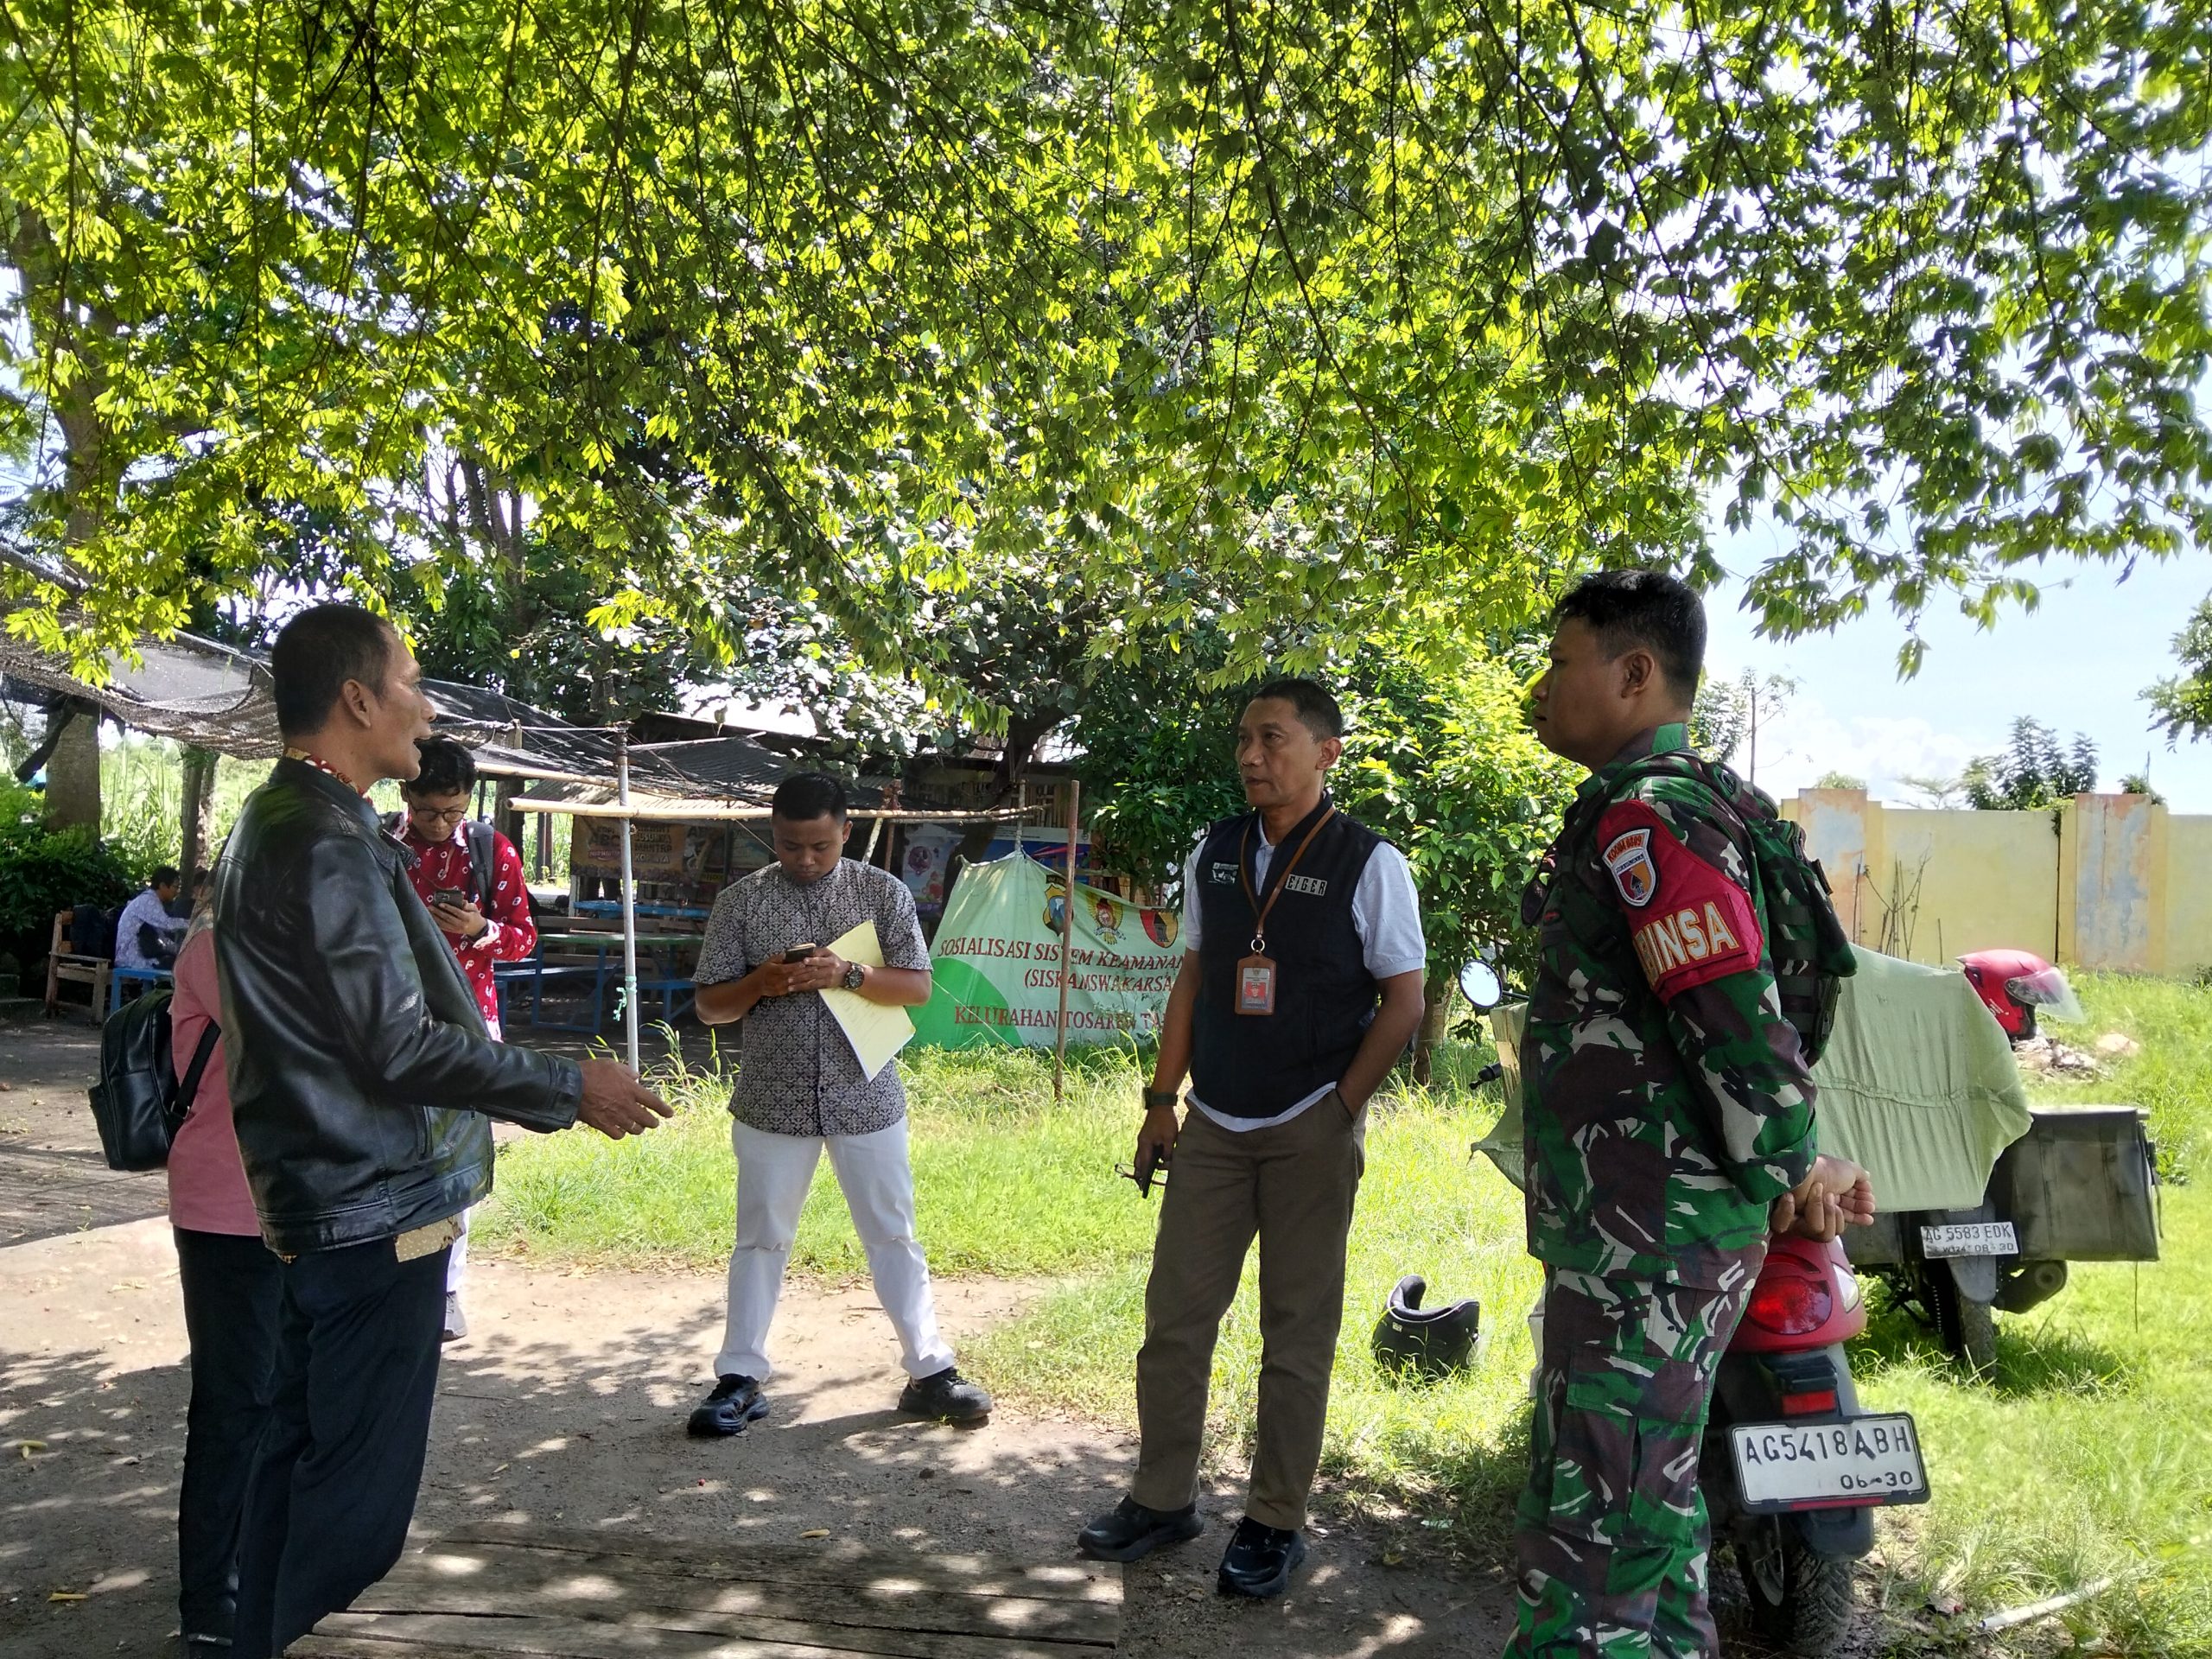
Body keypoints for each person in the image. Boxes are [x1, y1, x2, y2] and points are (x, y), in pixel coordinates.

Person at [213, 602, 673, 1659]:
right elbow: (398, 1047)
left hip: (324, 1199)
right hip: (373, 1208)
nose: (428, 709)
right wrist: (568, 1084)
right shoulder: (325, 840)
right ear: (358, 699)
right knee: (354, 1501)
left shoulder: (280, 821)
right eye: (412, 682)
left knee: (299, 1454)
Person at [1510, 569, 1875, 1658]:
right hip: (1652, 1227)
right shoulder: (1690, 803)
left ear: (1632, 674)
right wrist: (1788, 1164)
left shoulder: (1648, 820)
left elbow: (1729, 1009)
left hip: (1646, 1235)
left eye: (1561, 661)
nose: (1540, 687)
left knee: (1597, 1532)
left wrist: (1793, 1164)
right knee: (1653, 1522)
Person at [1077, 679, 1427, 1599]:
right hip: (1216, 1122)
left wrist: (1341, 1106)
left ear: (1326, 752)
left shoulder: (1369, 862)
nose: (1250, 756)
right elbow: (1193, 978)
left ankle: (1274, 1520)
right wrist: (1162, 1099)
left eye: (1272, 739)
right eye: (1243, 740)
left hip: (1310, 1122)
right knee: (1175, 1320)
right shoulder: (1214, 853)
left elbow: (1404, 1000)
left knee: (1295, 1332)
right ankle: (1162, 1500)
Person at [687, 771, 993, 1437]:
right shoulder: (741, 903)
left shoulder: (881, 892)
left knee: (892, 1233)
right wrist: (761, 983)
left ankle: (930, 1371)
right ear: (773, 834)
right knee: (760, 1238)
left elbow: (916, 988)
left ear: (845, 833)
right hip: (773, 1100)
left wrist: (849, 973)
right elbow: (710, 1006)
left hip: (868, 1096)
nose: (803, 859)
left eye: (819, 845)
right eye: (790, 845)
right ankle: (739, 1378)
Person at [395, 735, 541, 1340]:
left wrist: (482, 930)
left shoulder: (491, 850)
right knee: (399, 1151)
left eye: (452, 811)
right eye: (428, 812)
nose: (439, 824)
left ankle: (448, 1288)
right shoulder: (381, 848)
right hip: (392, 1022)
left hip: (470, 1025)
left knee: (456, 1159)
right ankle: (395, 1283)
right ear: (405, 793)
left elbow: (524, 938)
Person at [168, 899, 282, 1656]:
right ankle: (210, 1598)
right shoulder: (218, 945)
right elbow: (296, 1039)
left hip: (292, 1207)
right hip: (228, 1207)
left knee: (275, 1400)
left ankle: (257, 1574)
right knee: (234, 1406)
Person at [114, 865, 188, 971]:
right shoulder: (148, 901)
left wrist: (179, 950)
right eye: (175, 887)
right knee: (177, 966)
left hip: (143, 953)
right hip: (131, 958)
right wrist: (193, 924)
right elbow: (168, 924)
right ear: (162, 885)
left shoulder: (154, 902)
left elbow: (161, 937)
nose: (177, 892)